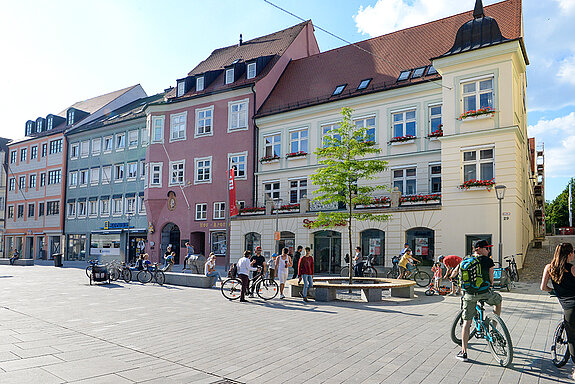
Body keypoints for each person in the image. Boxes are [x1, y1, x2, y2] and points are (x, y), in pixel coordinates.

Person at [453, 240, 502, 362]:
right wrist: (490, 285)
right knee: (498, 301)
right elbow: (491, 279)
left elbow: (456, 273)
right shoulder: (488, 260)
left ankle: (463, 352)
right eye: (487, 248)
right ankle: (494, 329)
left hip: (469, 295)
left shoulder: (465, 259)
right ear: (479, 249)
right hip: (485, 292)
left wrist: (453, 279)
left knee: (467, 323)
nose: (489, 250)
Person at [541, 242, 575, 376]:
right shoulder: (572, 269)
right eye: (573, 252)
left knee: (572, 339)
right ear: (568, 254)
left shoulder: (549, 268)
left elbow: (543, 287)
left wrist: (554, 291)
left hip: (569, 309)